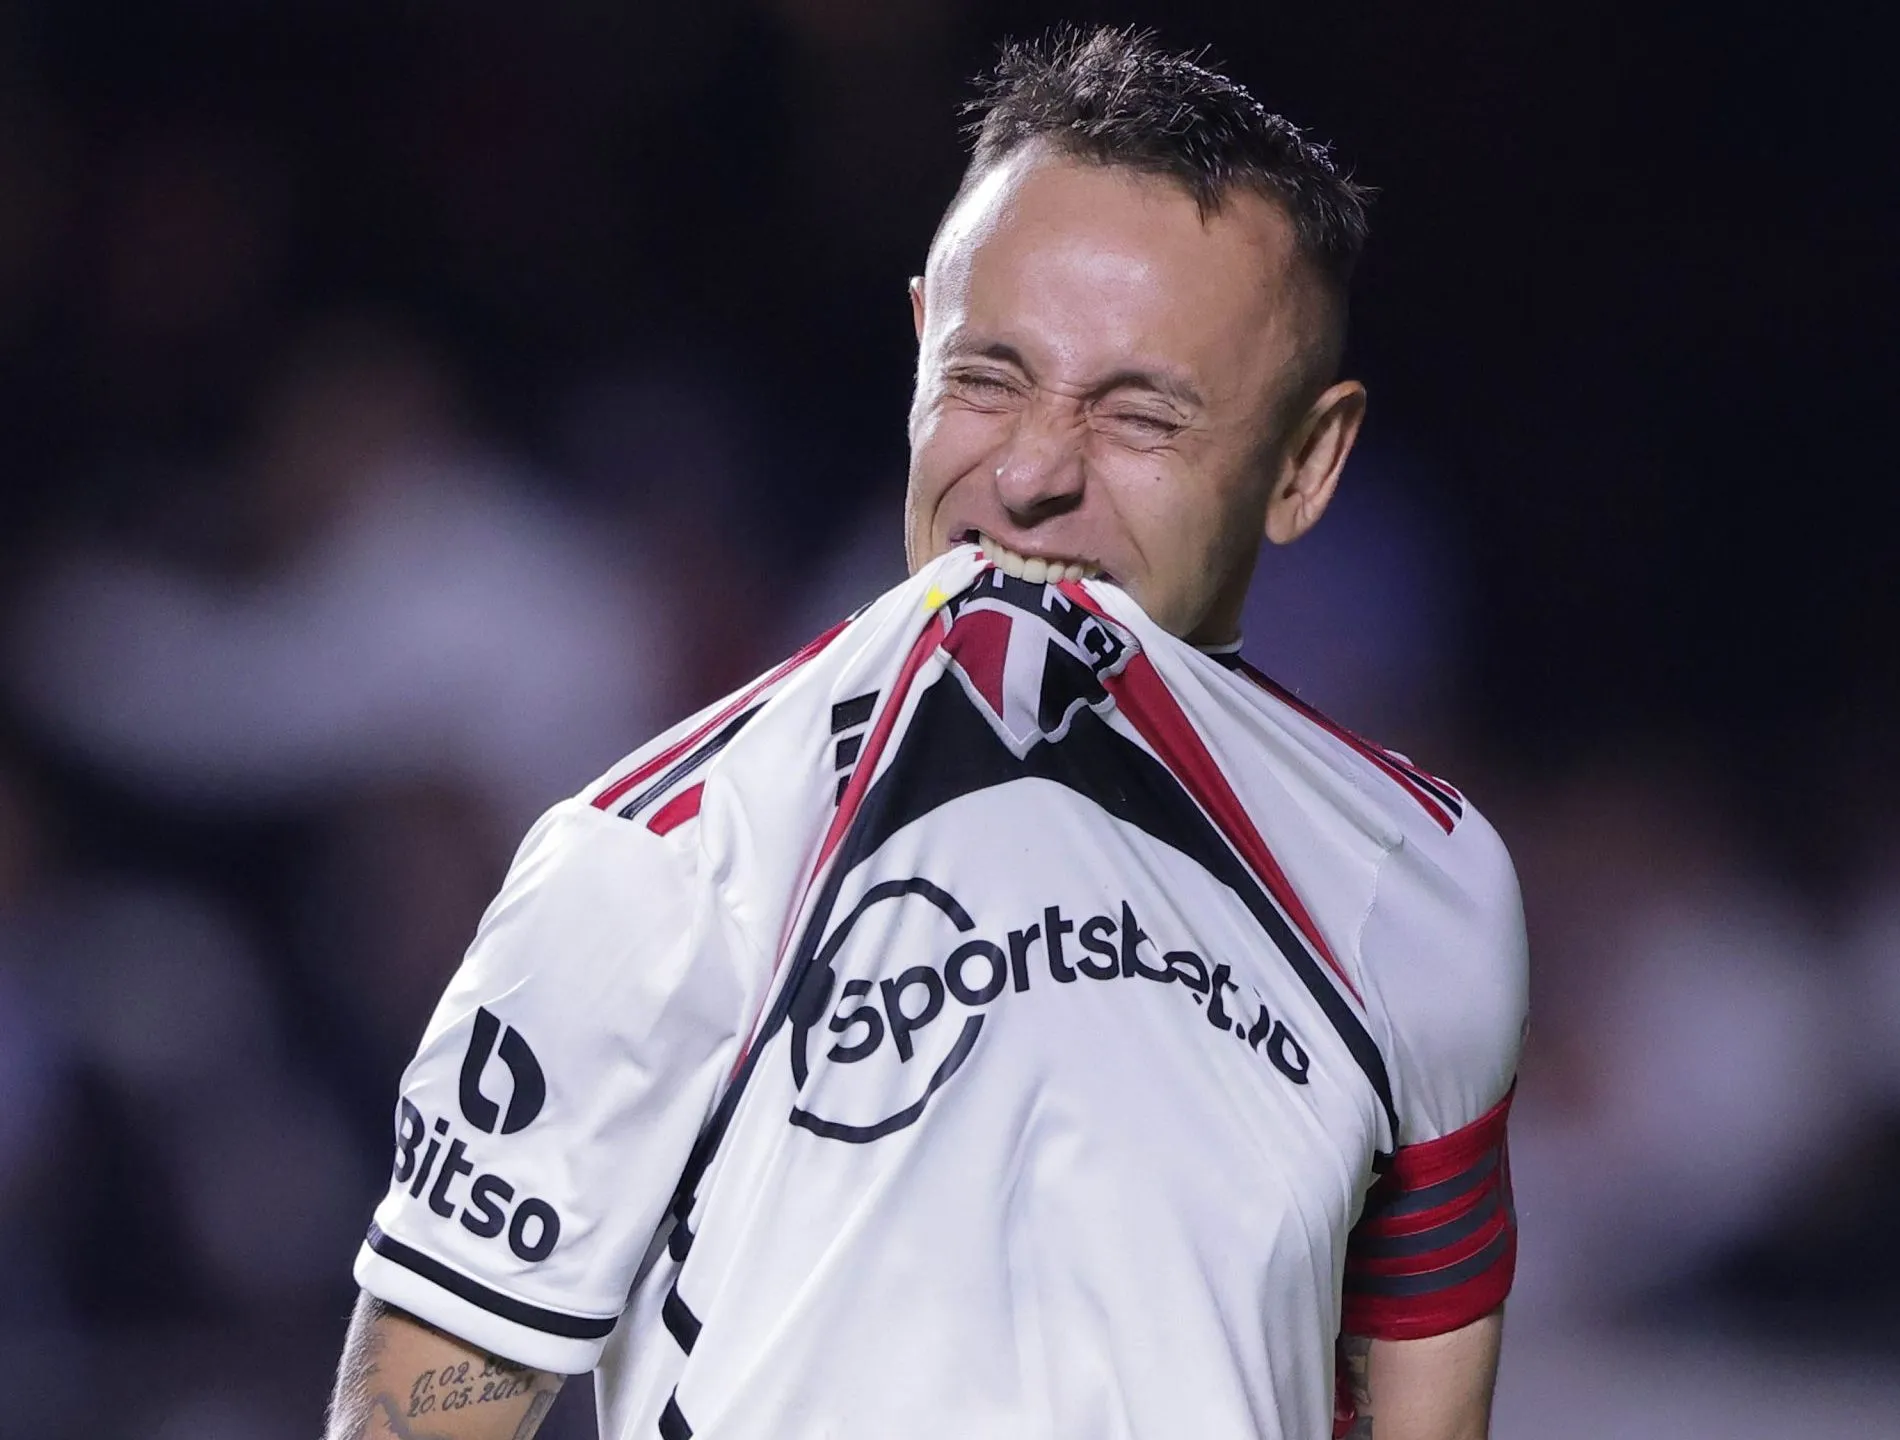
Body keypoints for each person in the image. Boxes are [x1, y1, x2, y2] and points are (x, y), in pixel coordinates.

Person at [324, 27, 1527, 1440]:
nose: (1027, 473)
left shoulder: (1420, 887)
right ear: (915, 351)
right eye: (987, 377)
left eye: (1138, 413)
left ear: (1306, 463)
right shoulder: (650, 869)